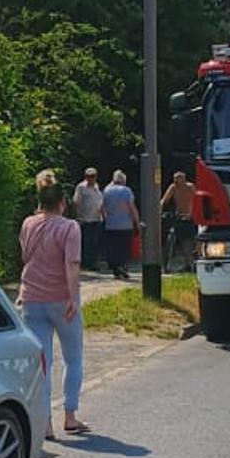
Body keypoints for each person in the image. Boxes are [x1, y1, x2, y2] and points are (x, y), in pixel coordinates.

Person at [18, 171, 89, 438]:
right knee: (73, 357)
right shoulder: (69, 227)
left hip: (32, 298)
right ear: (62, 202)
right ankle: (70, 416)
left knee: (42, 363)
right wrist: (72, 296)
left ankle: (45, 422)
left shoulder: (28, 224)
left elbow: (25, 256)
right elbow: (72, 264)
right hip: (61, 300)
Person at [100, 169, 140, 280]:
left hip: (111, 225)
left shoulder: (106, 190)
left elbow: (102, 207)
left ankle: (115, 267)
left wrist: (105, 219)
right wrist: (137, 222)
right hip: (125, 225)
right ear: (124, 180)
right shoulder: (126, 191)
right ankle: (122, 266)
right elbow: (132, 208)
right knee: (124, 247)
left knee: (113, 247)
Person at [159, 171, 197, 271]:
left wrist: (191, 213)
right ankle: (186, 263)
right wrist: (159, 209)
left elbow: (196, 201)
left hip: (190, 216)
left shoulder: (190, 187)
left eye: (179, 180)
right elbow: (164, 200)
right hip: (179, 216)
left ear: (184, 180)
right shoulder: (173, 187)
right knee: (181, 240)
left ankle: (190, 262)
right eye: (175, 180)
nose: (177, 183)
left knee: (189, 241)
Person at [72, 167, 105, 256]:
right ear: (85, 177)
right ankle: (87, 262)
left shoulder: (96, 186)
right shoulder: (81, 187)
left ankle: (93, 261)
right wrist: (77, 216)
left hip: (96, 218)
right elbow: (76, 202)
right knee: (87, 242)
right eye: (89, 176)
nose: (92, 178)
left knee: (95, 241)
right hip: (85, 219)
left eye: (93, 176)